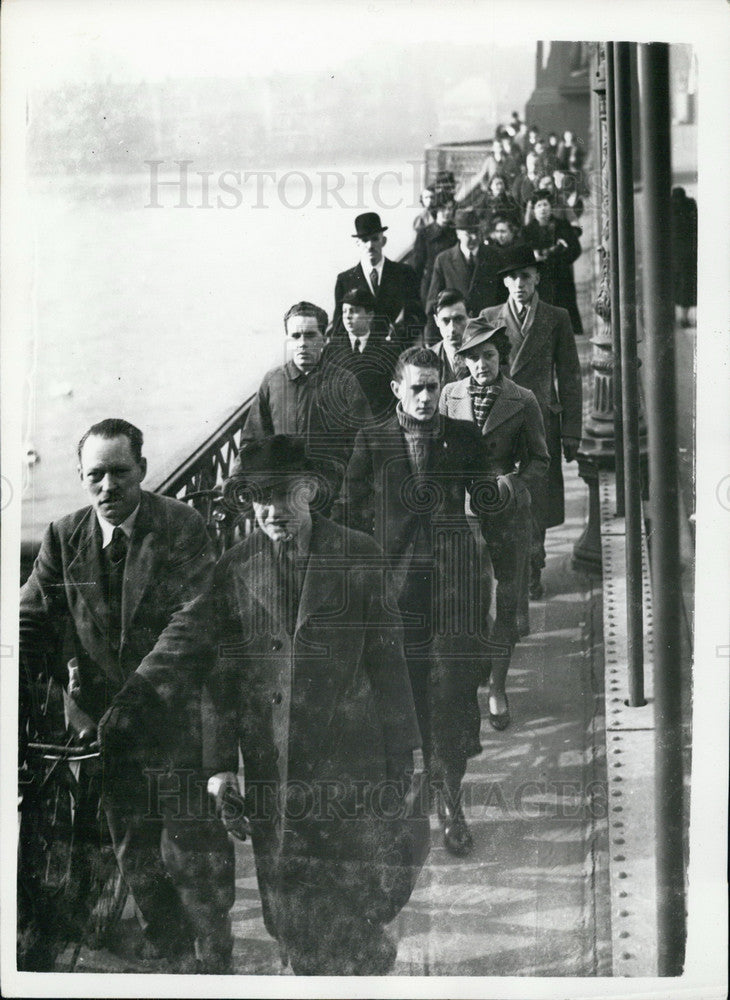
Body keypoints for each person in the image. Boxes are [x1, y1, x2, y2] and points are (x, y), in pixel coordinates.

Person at [19, 418, 234, 971]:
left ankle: (215, 962)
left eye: (119, 472)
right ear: (81, 477)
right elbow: (28, 619)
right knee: (134, 856)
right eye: (96, 475)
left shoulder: (181, 526)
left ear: (141, 467)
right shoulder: (64, 538)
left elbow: (196, 619)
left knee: (195, 856)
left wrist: (135, 696)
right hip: (110, 739)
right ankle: (172, 957)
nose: (108, 487)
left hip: (175, 721)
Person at [205, 435, 423, 975]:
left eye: (283, 495)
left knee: (357, 899)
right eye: (257, 498)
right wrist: (217, 767)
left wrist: (402, 757)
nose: (272, 511)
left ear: (310, 491)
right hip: (273, 768)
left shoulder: (359, 555)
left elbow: (388, 662)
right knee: (288, 905)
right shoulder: (233, 568)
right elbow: (221, 677)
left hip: (351, 763)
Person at [333, 346, 495, 857]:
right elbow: (350, 519)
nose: (426, 398)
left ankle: (450, 802)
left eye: (433, 387)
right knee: (396, 698)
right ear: (397, 388)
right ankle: (403, 807)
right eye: (416, 387)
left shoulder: (464, 436)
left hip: (452, 590)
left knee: (449, 697)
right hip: (393, 596)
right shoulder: (372, 440)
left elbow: (489, 504)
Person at [440, 318, 549, 727]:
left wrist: (514, 483)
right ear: (463, 361)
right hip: (461, 516)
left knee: (505, 602)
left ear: (501, 355)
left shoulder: (523, 399)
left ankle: (498, 688)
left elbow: (540, 460)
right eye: (473, 357)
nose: (482, 364)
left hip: (506, 517)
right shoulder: (448, 396)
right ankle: (468, 681)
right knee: (466, 601)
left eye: (489, 355)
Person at [479, 244, 583, 600]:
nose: (519, 283)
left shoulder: (557, 317)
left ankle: (533, 568)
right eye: (512, 277)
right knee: (506, 497)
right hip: (502, 423)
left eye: (525, 275)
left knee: (537, 497)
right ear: (505, 282)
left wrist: (571, 430)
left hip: (542, 425)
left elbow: (569, 375)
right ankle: (513, 568)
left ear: (537, 277)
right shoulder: (490, 317)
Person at [241, 301, 372, 513]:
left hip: (332, 499)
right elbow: (252, 442)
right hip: (282, 499)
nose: (302, 343)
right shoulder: (272, 382)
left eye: (310, 335)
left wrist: (344, 497)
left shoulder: (344, 382)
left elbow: (364, 442)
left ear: (324, 339)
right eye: (295, 336)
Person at [332, 212, 425, 345]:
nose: (370, 245)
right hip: (364, 357)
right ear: (357, 243)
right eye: (365, 240)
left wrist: (400, 333)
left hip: (399, 351)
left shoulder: (405, 273)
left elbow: (418, 316)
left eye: (375, 239)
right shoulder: (345, 280)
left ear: (383, 241)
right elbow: (339, 327)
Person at [322, 286, 400, 425]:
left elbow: (395, 395)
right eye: (344, 311)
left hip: (378, 425)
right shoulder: (331, 349)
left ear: (369, 315)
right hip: (342, 426)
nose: (347, 317)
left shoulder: (389, 350)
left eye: (354, 311)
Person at [523, 190, 583, 335]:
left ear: (550, 207)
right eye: (538, 206)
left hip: (561, 278)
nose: (542, 208)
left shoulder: (562, 225)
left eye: (545, 205)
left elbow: (575, 249)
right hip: (539, 281)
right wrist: (534, 257)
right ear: (534, 211)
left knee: (563, 320)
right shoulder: (527, 231)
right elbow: (522, 255)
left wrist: (560, 255)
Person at [426, 208, 497, 321]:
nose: (474, 237)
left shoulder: (495, 255)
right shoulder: (443, 260)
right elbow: (433, 303)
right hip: (458, 327)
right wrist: (431, 337)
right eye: (469, 233)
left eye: (476, 232)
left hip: (489, 325)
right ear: (458, 233)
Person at [412, 196, 457, 308]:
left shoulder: (456, 233)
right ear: (435, 210)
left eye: (450, 208)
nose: (447, 212)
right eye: (443, 209)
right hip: (431, 286)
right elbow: (418, 265)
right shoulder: (424, 234)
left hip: (452, 284)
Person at [670, 186, 697, 327]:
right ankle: (684, 318)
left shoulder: (668, 207)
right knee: (686, 285)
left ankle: (676, 317)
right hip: (689, 253)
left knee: (674, 283)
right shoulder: (690, 205)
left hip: (673, 253)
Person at [429, 289, 470, 384]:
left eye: (458, 319)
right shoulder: (427, 359)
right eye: (445, 321)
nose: (452, 329)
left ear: (469, 317)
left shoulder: (485, 354)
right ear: (436, 321)